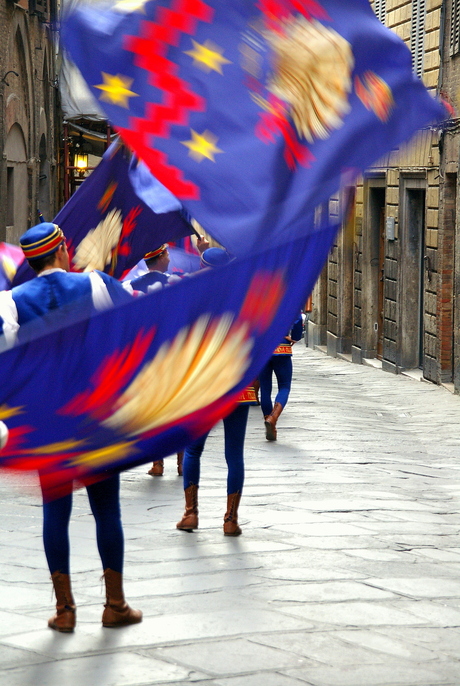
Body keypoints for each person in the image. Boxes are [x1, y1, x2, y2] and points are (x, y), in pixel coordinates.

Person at [0, 222, 142, 633]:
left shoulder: (11, 303)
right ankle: (114, 604)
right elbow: (135, 322)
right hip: (94, 416)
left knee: (55, 512)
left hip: (47, 422)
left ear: (31, 260)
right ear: (63, 249)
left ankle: (65, 611)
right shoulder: (95, 284)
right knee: (106, 510)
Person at [176, 247, 257, 536]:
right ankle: (230, 520)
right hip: (238, 384)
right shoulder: (244, 296)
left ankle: (191, 515)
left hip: (204, 384)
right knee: (234, 454)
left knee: (193, 449)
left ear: (203, 265)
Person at [138, 238, 210, 477]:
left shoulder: (131, 287)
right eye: (166, 255)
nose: (170, 258)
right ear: (159, 258)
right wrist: (204, 253)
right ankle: (181, 463)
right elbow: (209, 278)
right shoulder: (176, 283)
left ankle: (157, 463)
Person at [259, 314, 303, 442]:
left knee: (265, 389)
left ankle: (269, 422)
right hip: (281, 346)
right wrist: (295, 337)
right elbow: (298, 319)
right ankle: (272, 418)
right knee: (284, 386)